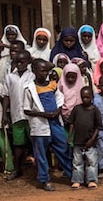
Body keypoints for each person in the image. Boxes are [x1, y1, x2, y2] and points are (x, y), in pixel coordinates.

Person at [24, 59, 72, 191]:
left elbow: (59, 99)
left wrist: (57, 111)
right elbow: (26, 110)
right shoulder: (29, 88)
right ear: (34, 71)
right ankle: (44, 179)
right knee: (41, 154)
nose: (45, 73)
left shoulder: (52, 85)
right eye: (42, 70)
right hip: (40, 125)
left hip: (55, 122)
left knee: (63, 148)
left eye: (47, 70)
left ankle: (72, 174)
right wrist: (44, 115)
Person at [5, 49, 33, 180]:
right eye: (17, 62)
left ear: (28, 62)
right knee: (18, 144)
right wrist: (5, 113)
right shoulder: (10, 77)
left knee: (36, 144)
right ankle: (17, 169)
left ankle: (41, 170)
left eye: (23, 61)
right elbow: (6, 96)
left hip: (32, 116)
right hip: (16, 115)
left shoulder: (33, 75)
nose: (20, 64)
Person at [67, 86, 102, 189]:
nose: (85, 99)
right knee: (77, 162)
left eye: (87, 97)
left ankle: (91, 180)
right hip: (78, 141)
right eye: (83, 97)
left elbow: (98, 127)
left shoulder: (95, 110)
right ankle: (77, 180)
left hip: (90, 142)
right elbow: (72, 123)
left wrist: (92, 140)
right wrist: (70, 137)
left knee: (91, 162)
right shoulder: (77, 109)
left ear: (92, 97)